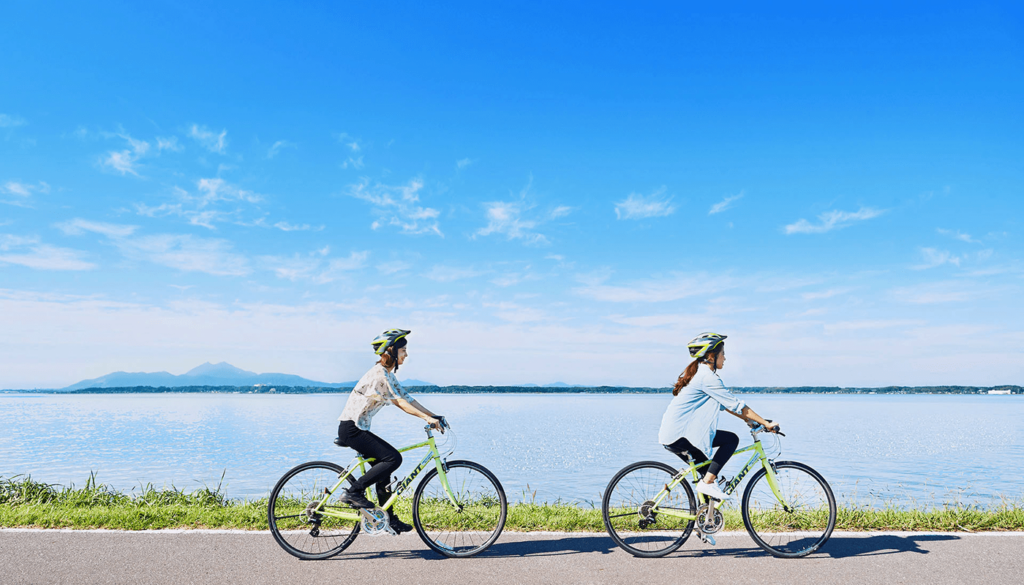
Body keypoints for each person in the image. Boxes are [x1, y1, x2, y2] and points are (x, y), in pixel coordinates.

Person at [335, 328, 443, 534]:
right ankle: (354, 491)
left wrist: (433, 415)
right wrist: (427, 419)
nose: (406, 354)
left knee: (384, 469)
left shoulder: (387, 375)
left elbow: (408, 398)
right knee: (393, 458)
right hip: (352, 429)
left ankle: (389, 518)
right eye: (403, 350)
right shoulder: (379, 376)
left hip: (358, 428)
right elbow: (401, 403)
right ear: (391, 351)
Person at [658, 332, 779, 501]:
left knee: (711, 476)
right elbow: (737, 405)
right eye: (723, 354)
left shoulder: (700, 375)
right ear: (711, 355)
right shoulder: (707, 378)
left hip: (676, 435)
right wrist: (766, 423)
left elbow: (725, 405)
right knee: (730, 440)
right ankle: (707, 484)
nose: (725, 358)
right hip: (681, 436)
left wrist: (749, 421)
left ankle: (706, 521)